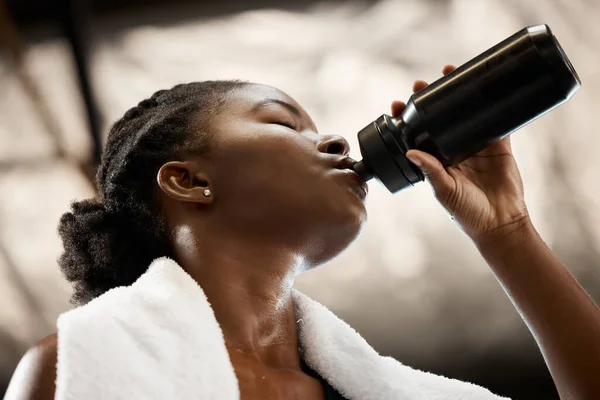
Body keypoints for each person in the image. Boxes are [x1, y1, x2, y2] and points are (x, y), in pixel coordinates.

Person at [5, 65, 600, 400]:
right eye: (284, 122)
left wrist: (509, 231)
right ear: (188, 180)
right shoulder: (77, 369)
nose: (338, 142)